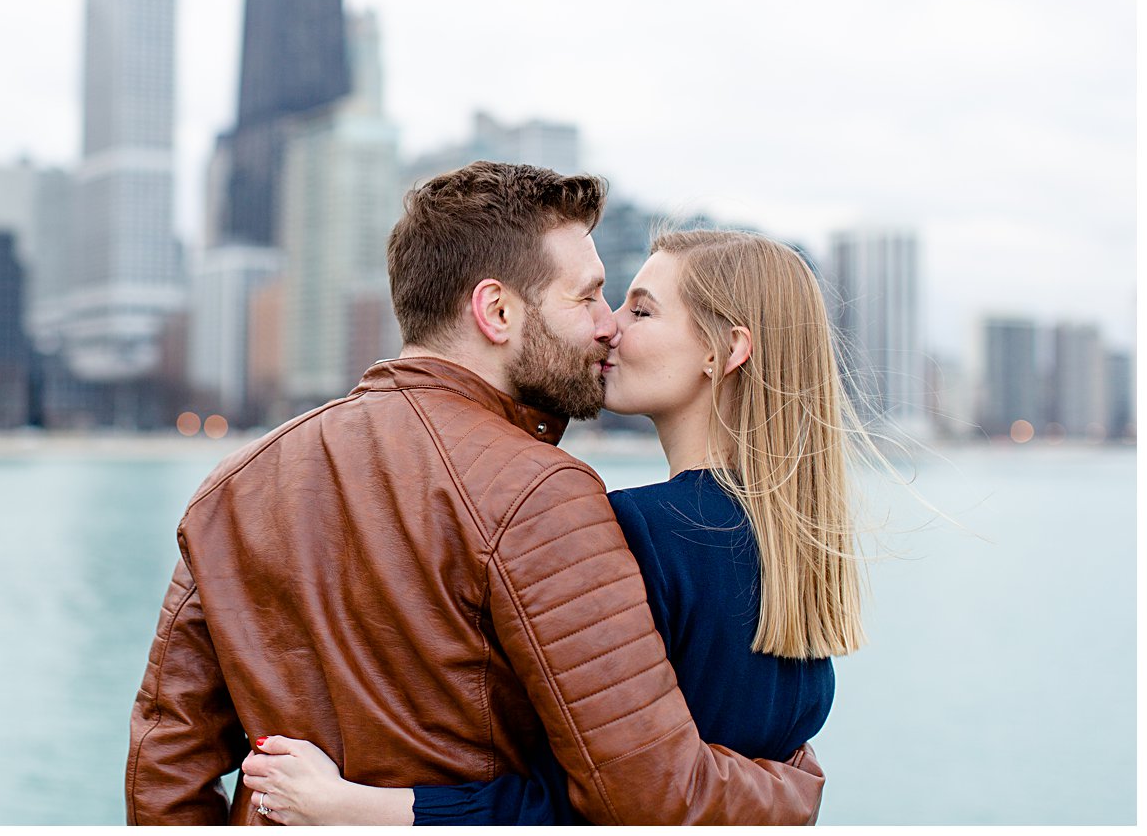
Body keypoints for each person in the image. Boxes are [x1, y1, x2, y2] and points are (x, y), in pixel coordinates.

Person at [125, 164, 825, 825]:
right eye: (587, 297)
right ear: (496, 310)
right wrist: (791, 787)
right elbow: (649, 793)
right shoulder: (542, 493)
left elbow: (166, 761)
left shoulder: (235, 483)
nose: (607, 324)